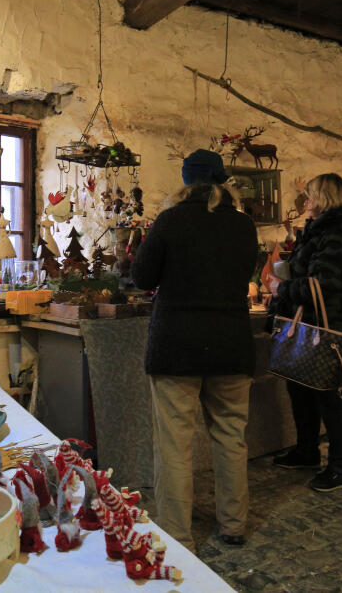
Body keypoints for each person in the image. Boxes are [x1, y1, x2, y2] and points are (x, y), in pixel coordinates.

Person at [132, 149, 257, 551]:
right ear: (221, 182)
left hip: (177, 346)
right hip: (231, 343)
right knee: (231, 437)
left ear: (186, 182)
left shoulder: (171, 221)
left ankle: (177, 535)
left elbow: (142, 277)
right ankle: (234, 525)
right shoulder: (243, 226)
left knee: (174, 443)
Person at [267, 173, 342, 492]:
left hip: (332, 327)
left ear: (323, 198)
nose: (305, 201)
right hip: (309, 324)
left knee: (329, 396)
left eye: (309, 195)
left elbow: (323, 285)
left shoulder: (339, 233)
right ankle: (307, 451)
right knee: (301, 388)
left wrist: (281, 287)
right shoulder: (318, 229)